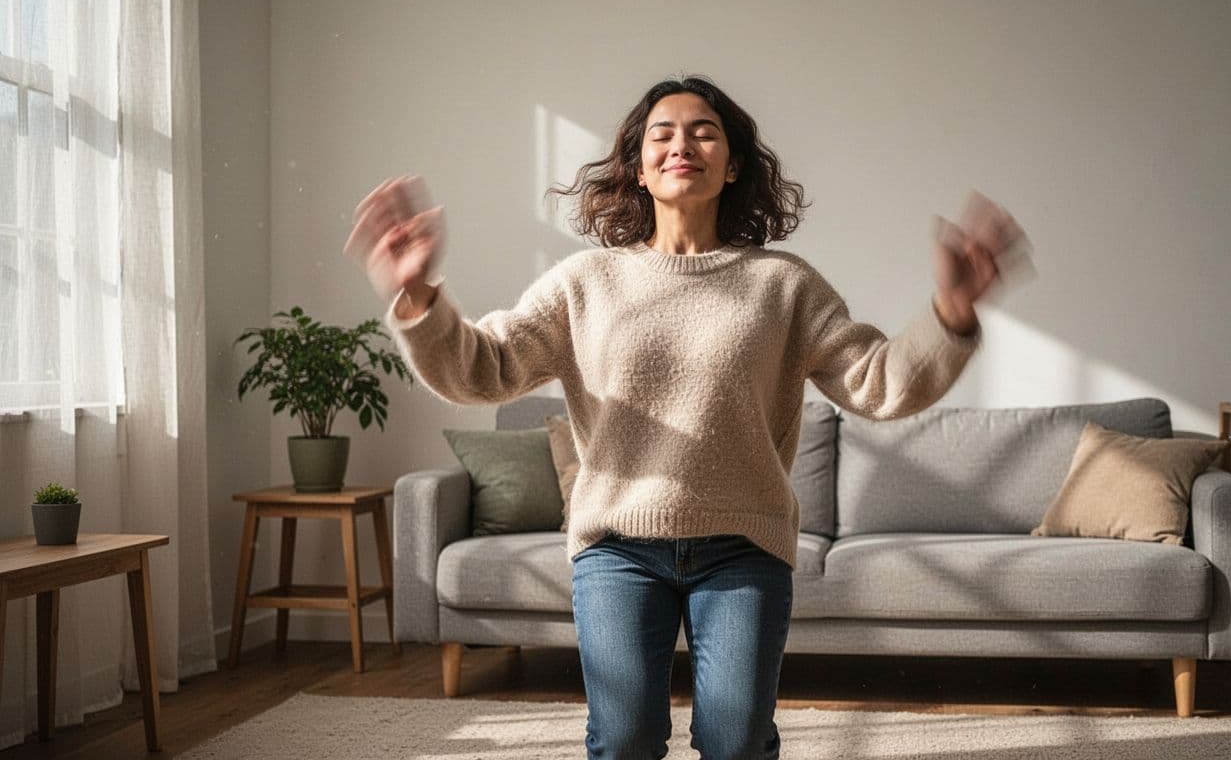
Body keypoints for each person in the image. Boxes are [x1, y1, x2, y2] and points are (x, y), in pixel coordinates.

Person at [345, 75, 1025, 760]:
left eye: (704, 130)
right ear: (637, 169)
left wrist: (953, 315)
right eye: (661, 133)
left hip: (742, 548)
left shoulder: (783, 285)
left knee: (735, 744)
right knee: (626, 740)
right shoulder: (585, 283)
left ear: (733, 166)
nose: (682, 143)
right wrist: (417, 294)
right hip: (617, 549)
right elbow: (482, 369)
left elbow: (880, 385)